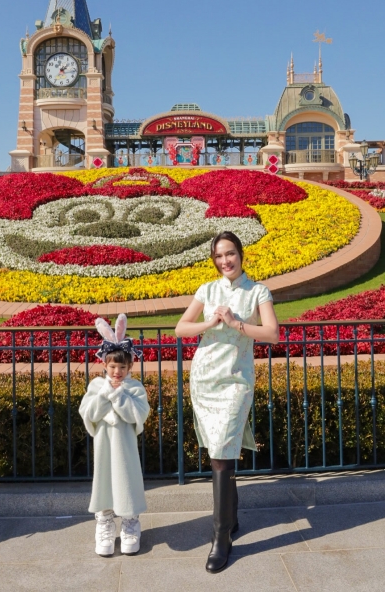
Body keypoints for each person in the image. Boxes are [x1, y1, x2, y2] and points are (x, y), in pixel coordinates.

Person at [175, 231, 279, 574]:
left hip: (236, 382)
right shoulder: (207, 290)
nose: (225, 261)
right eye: (219, 256)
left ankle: (221, 537)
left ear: (241, 254)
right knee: (219, 452)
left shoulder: (258, 291)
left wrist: (237, 323)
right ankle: (230, 520)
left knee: (221, 452)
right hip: (205, 379)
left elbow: (273, 333)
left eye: (230, 253)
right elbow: (181, 328)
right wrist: (211, 321)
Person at [79, 314, 150, 557]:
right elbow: (88, 413)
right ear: (104, 366)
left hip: (126, 446)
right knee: (105, 480)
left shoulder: (135, 388)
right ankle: (105, 521)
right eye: (112, 366)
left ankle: (131, 522)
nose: (117, 371)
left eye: (122, 367)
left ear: (130, 366)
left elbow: (137, 415)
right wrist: (106, 394)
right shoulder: (96, 386)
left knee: (126, 479)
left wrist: (119, 396)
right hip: (103, 445)